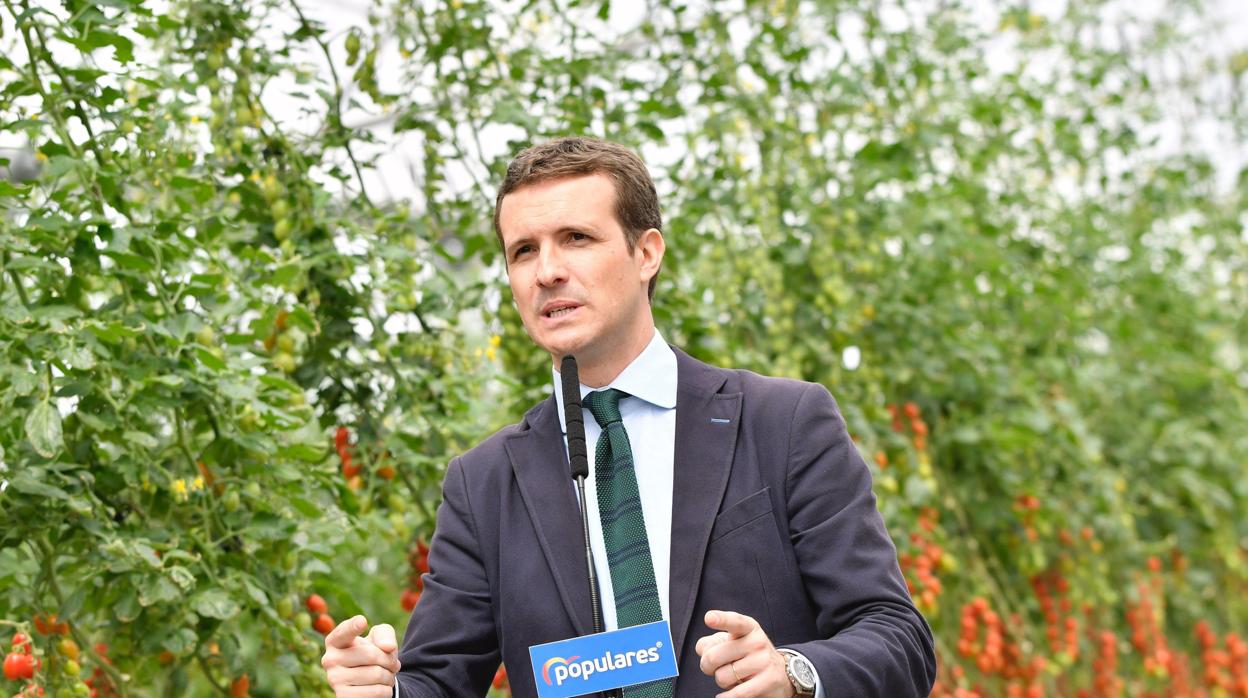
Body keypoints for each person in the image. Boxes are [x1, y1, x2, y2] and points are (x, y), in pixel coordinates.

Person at [320, 137, 936, 697]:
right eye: (523, 251)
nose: (547, 271)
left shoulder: (784, 422)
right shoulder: (484, 483)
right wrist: (384, 690)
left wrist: (795, 673)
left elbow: (897, 637)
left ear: (647, 253)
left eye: (577, 239)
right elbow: (438, 680)